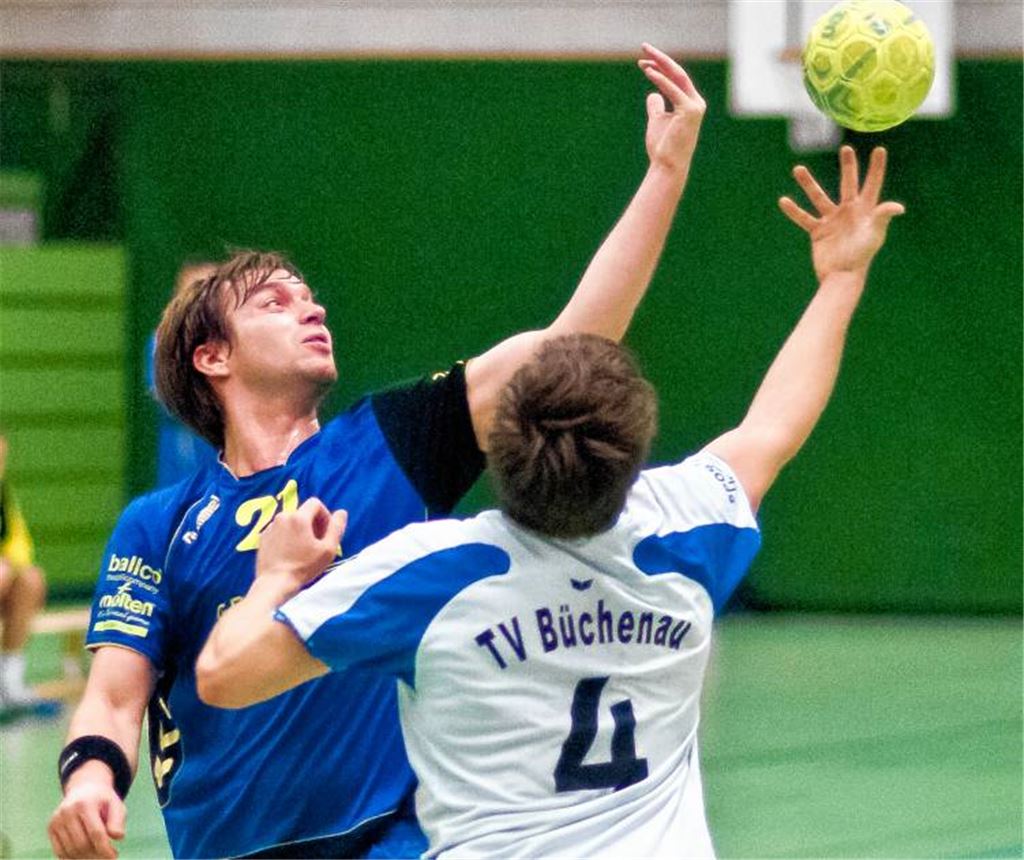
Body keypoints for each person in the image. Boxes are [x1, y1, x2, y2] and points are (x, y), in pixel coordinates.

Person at [48, 43, 706, 860]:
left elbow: (570, 343)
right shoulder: (158, 526)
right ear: (211, 359)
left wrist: (665, 175)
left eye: (309, 294)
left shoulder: (391, 442)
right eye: (274, 300)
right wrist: (88, 779)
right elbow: (115, 698)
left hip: (393, 839)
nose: (310, 305)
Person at [196, 144, 904, 857]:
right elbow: (772, 428)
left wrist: (277, 576)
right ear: (635, 457)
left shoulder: (430, 572)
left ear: (498, 447)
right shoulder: (687, 532)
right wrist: (842, 278)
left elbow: (225, 677)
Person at [0, 434, 62, 722]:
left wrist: (10, 567)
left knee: (31, 580)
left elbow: (19, 545)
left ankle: (9, 682)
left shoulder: (3, 495)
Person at [145, 262, 219, 488]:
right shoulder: (163, 340)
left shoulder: (228, 341)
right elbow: (164, 393)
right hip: (182, 450)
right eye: (196, 290)